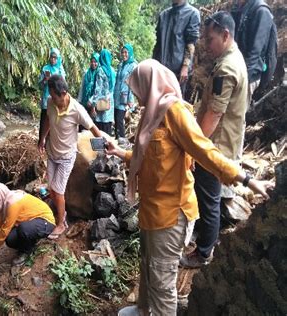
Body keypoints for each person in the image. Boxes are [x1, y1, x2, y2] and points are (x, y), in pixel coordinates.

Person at [106, 59, 272, 316]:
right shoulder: (151, 113)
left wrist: (246, 179)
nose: (135, 95)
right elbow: (148, 156)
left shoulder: (174, 112)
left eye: (138, 88)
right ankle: (143, 309)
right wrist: (120, 152)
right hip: (151, 209)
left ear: (151, 86)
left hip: (171, 213)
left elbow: (204, 151)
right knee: (147, 264)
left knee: (162, 279)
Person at [179, 12, 248, 269]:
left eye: (210, 39)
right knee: (210, 197)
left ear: (225, 35)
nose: (206, 46)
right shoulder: (233, 60)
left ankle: (203, 252)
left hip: (214, 145)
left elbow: (214, 114)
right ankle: (207, 240)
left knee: (208, 199)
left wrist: (194, 149)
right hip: (221, 141)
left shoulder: (227, 69)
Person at [38, 74, 105, 239]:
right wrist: (42, 138)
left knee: (59, 191)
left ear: (64, 93)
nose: (52, 99)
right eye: (51, 95)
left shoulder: (77, 109)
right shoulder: (50, 101)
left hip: (67, 156)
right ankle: (61, 214)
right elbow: (48, 119)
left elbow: (93, 129)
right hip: (52, 153)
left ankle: (61, 224)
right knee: (52, 189)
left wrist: (103, 149)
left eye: (55, 97)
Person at [0, 183, 55, 266]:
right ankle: (31, 241)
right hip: (33, 223)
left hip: (46, 222)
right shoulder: (6, 203)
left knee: (23, 228)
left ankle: (26, 252)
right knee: (10, 239)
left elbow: (5, 229)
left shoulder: (13, 204)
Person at [231, 0, 276, 104]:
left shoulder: (261, 11)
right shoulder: (239, 8)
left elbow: (255, 52)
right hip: (235, 71)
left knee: (236, 114)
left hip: (248, 75)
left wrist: (243, 79)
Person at [152, 0, 200, 97]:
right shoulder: (164, 15)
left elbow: (191, 43)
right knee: (156, 102)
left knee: (173, 106)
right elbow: (158, 44)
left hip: (177, 73)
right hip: (160, 70)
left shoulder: (192, 14)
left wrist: (185, 66)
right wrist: (153, 65)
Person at [38, 48, 66, 143]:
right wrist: (45, 80)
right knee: (43, 122)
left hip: (57, 101)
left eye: (55, 57)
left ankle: (53, 144)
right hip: (46, 100)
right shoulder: (45, 68)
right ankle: (41, 142)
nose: (53, 59)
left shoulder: (60, 70)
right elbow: (40, 85)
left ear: (58, 59)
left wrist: (53, 80)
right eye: (51, 57)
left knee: (55, 122)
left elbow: (63, 85)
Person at [113, 43, 138, 140]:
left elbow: (133, 85)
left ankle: (122, 142)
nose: (124, 54)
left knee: (119, 120)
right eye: (122, 52)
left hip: (124, 98)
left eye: (126, 52)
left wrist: (130, 101)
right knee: (116, 120)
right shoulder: (120, 65)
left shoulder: (133, 66)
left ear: (130, 53)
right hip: (116, 97)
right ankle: (116, 141)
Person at [89, 48, 115, 135]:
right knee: (108, 128)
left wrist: (93, 105)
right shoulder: (112, 70)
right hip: (109, 103)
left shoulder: (100, 70)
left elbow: (98, 89)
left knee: (100, 129)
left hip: (101, 103)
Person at [77, 52, 101, 128]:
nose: (93, 63)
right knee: (83, 122)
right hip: (85, 102)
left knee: (92, 124)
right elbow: (82, 87)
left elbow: (98, 90)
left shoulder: (99, 74)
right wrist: (79, 101)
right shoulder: (86, 73)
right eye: (92, 61)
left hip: (94, 104)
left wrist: (92, 102)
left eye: (95, 62)